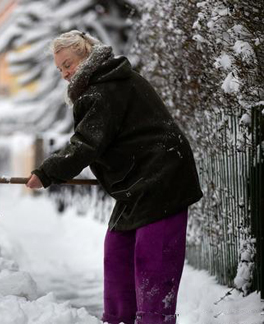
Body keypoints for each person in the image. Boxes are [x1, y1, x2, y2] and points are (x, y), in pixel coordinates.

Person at [25, 30, 203, 324]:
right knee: (117, 252)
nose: (64, 73)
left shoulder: (104, 89)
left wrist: (46, 173)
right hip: (135, 185)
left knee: (152, 262)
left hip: (162, 179)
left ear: (86, 56)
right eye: (59, 69)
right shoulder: (103, 84)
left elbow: (86, 144)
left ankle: (153, 320)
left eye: (68, 64)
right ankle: (119, 319)